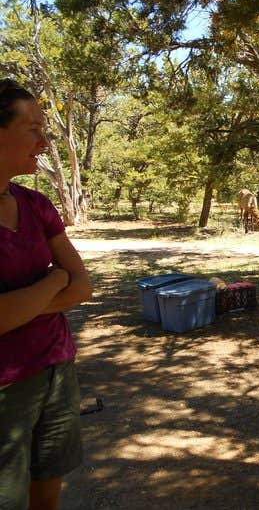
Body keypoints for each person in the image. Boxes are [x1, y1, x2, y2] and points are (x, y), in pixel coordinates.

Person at [0, 79, 93, 510]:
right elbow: (65, 280)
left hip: (56, 366)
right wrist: (53, 282)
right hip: (6, 386)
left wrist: (24, 305)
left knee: (48, 490)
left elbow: (84, 284)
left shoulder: (36, 204)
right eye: (33, 129)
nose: (44, 140)